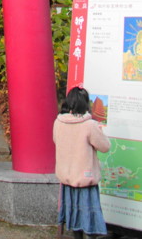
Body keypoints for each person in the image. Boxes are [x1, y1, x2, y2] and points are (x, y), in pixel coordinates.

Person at [53, 86, 111, 238]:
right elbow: (105, 147)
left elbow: (56, 141)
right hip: (86, 178)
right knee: (89, 222)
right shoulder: (89, 125)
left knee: (74, 221)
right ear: (85, 103)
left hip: (67, 178)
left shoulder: (58, 122)